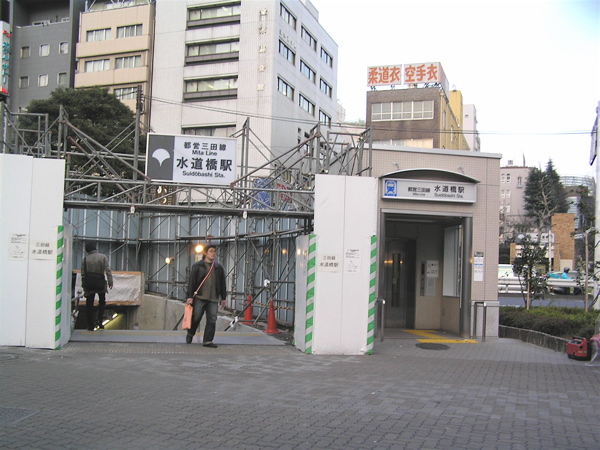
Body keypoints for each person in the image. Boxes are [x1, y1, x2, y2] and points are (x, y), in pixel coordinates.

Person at [185, 244, 227, 348]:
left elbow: (222, 283)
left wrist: (223, 297)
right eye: (211, 251)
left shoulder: (218, 267)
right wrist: (189, 296)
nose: (213, 253)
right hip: (200, 297)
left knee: (212, 319)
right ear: (205, 253)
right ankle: (190, 333)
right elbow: (192, 282)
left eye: (214, 251)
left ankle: (208, 340)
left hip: (213, 298)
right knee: (196, 317)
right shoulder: (197, 266)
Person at [81, 242, 113, 331]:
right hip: (100, 282)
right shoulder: (103, 257)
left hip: (89, 284)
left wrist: (84, 286)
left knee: (89, 304)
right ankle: (100, 320)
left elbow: (83, 274)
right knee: (102, 302)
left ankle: (90, 325)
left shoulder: (85, 259)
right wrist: (110, 282)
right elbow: (108, 270)